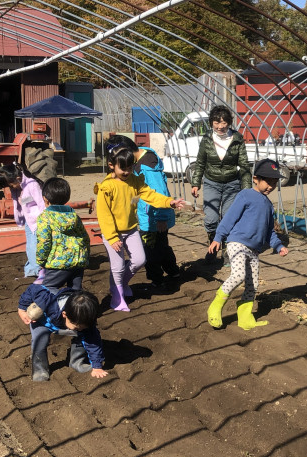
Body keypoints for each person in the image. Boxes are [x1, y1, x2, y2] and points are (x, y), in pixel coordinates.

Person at [95, 146, 185, 312]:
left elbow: (150, 195)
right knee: (118, 266)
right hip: (112, 233)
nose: (127, 172)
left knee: (139, 260)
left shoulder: (134, 181)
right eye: (123, 168)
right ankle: (117, 297)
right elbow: (104, 215)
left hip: (130, 230)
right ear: (111, 165)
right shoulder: (106, 187)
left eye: (130, 168)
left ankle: (120, 284)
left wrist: (169, 202)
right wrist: (112, 237)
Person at [205, 159, 289, 331]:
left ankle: (245, 317)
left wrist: (278, 246)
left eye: (274, 183)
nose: (271, 186)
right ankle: (216, 305)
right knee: (239, 275)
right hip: (237, 243)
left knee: (253, 284)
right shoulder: (245, 195)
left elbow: (269, 232)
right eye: (268, 181)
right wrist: (218, 237)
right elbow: (230, 218)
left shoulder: (268, 206)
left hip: (254, 250)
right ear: (256, 179)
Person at [106, 136, 180, 288]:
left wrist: (161, 218)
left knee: (149, 250)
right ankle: (173, 272)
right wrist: (131, 206)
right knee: (160, 246)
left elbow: (158, 191)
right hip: (149, 215)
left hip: (154, 218)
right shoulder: (139, 162)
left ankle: (157, 280)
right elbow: (138, 192)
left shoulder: (147, 167)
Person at [190, 105, 252, 264]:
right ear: (211, 122)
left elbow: (244, 165)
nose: (220, 126)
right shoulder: (207, 139)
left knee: (228, 218)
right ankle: (213, 246)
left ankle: (226, 251)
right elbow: (200, 162)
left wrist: (247, 190)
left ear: (229, 122)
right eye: (216, 122)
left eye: (223, 122)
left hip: (232, 184)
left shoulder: (237, 139)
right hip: (212, 183)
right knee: (211, 219)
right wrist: (195, 183)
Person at [17, 285, 107, 382]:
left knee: (85, 336)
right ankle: (40, 370)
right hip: (42, 322)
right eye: (77, 326)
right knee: (39, 341)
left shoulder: (85, 321)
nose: (80, 329)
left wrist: (97, 366)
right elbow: (33, 289)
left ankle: (77, 363)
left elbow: (93, 343)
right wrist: (22, 309)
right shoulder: (47, 299)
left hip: (62, 323)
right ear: (64, 314)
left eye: (83, 327)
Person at [35, 177, 90, 292]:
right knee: (75, 290)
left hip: (57, 263)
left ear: (45, 199)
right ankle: (75, 304)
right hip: (78, 261)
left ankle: (60, 302)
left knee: (48, 289)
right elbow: (85, 237)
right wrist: (85, 257)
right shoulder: (74, 216)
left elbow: (44, 240)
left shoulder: (45, 218)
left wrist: (41, 260)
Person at [0, 163, 45, 278]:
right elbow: (26, 201)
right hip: (29, 221)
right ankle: (32, 269)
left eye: (11, 185)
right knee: (30, 247)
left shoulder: (32, 185)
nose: (11, 187)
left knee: (34, 246)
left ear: (18, 178)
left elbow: (41, 203)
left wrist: (45, 221)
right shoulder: (20, 187)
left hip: (38, 221)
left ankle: (38, 270)